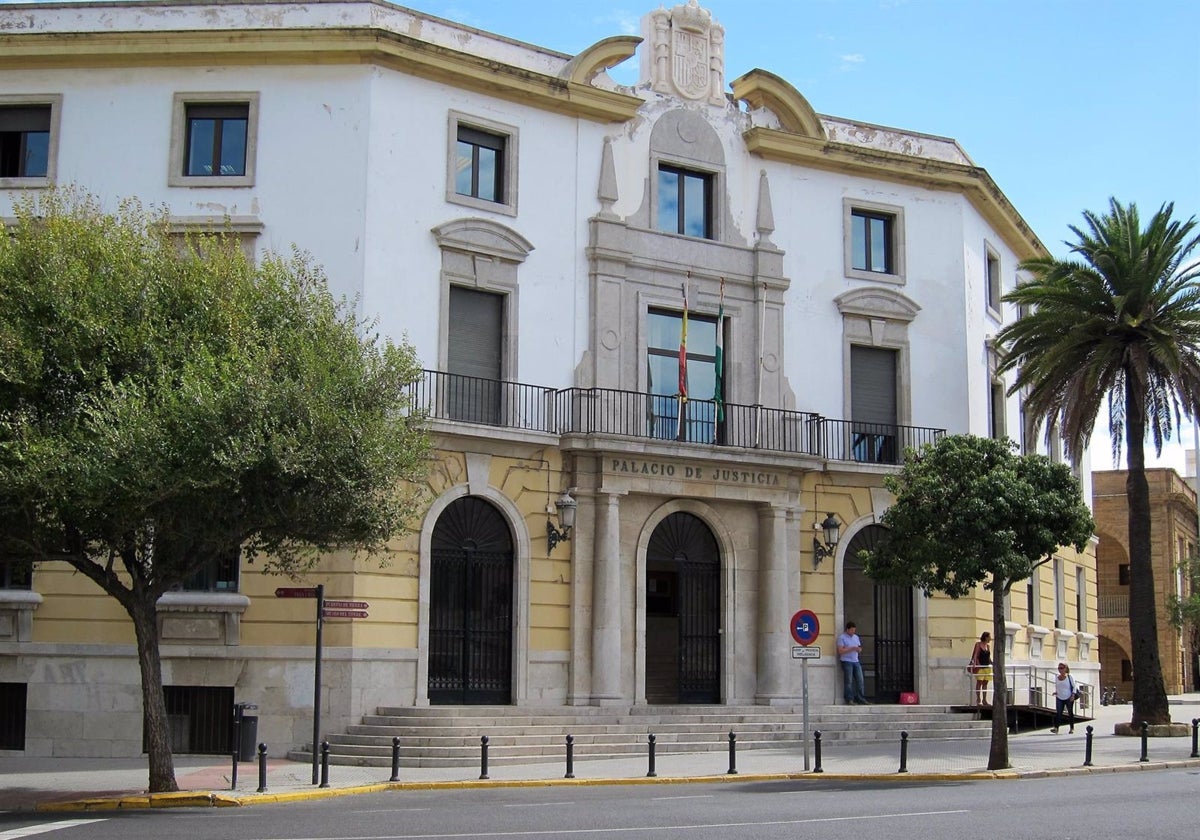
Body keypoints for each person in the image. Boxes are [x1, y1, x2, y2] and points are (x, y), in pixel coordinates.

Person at [836, 621, 868, 705]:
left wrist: (859, 649)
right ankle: (849, 699)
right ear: (847, 629)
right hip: (846, 661)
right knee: (848, 681)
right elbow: (840, 651)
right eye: (852, 630)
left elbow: (859, 647)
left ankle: (860, 698)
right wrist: (852, 648)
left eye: (854, 630)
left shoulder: (856, 637)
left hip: (856, 661)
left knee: (860, 680)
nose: (853, 632)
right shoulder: (842, 638)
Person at [1051, 662, 1077, 734]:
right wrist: (1056, 692)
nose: (1060, 670)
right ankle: (1056, 728)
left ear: (1065, 668)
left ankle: (1072, 728)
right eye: (1059, 668)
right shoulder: (1057, 677)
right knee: (1058, 713)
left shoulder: (1069, 676)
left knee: (1070, 712)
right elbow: (1058, 686)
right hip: (1059, 697)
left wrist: (1073, 695)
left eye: (1061, 668)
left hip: (1068, 697)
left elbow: (1074, 686)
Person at [969, 632, 993, 706]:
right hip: (980, 667)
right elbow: (976, 655)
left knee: (985, 683)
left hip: (987, 667)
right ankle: (978, 699)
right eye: (989, 637)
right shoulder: (978, 645)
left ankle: (984, 700)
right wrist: (977, 664)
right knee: (979, 682)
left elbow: (988, 657)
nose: (990, 638)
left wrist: (992, 663)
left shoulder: (988, 646)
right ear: (985, 637)